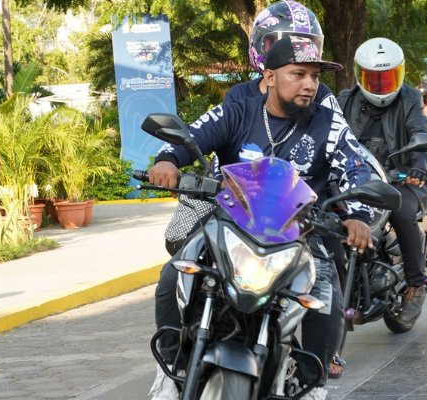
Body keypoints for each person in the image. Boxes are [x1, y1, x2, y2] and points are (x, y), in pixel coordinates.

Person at [148, 36, 373, 400]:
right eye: (297, 74)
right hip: (229, 227)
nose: (309, 85)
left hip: (298, 235)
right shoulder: (237, 111)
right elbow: (193, 135)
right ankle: (173, 370)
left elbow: (357, 168)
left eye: (314, 76)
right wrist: (167, 160)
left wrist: (359, 215)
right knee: (174, 273)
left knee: (325, 295)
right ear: (269, 78)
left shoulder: (329, 125)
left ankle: (312, 386)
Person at [164, 0, 337, 256]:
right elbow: (208, 133)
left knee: (336, 264)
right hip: (236, 202)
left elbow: (343, 143)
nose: (296, 51)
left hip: (300, 207)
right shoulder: (238, 98)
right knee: (182, 257)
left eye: (304, 44)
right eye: (283, 45)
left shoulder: (320, 95)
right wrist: (168, 158)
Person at [338, 37, 427, 331]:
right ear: (359, 75)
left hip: (399, 177)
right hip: (356, 178)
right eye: (374, 79)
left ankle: (416, 285)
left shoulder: (409, 99)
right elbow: (331, 136)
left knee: (403, 213)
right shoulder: (345, 100)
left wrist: (418, 168)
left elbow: (419, 134)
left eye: (387, 78)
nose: (380, 85)